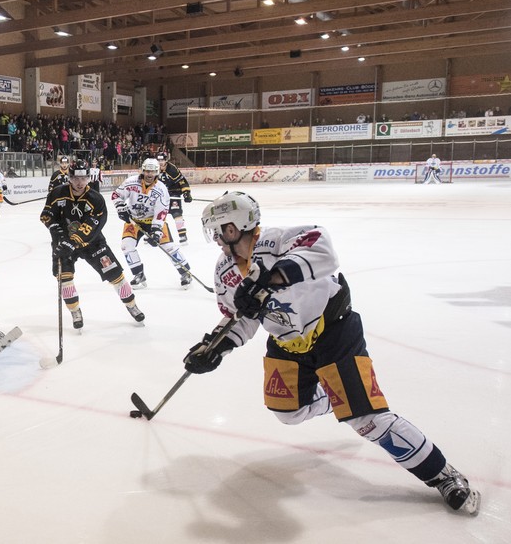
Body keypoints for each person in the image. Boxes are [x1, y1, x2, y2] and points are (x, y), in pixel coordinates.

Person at [184, 191, 480, 515]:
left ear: (238, 226)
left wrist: (272, 279)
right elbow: (240, 319)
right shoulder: (225, 272)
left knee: (368, 421)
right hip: (286, 344)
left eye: (220, 229)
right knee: (287, 413)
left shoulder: (282, 241)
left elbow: (323, 252)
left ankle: (441, 474)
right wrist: (217, 346)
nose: (215, 238)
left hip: (334, 333)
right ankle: (332, 398)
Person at [40, 158, 145, 330]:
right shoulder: (57, 193)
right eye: (75, 178)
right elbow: (46, 215)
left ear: (89, 178)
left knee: (115, 275)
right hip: (63, 243)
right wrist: (58, 233)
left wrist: (73, 241)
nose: (79, 183)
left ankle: (132, 305)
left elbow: (94, 223)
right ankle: (75, 311)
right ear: (70, 177)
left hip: (92, 243)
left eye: (83, 178)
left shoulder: (96, 199)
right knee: (64, 279)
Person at [111, 158, 193, 289]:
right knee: (126, 246)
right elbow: (116, 195)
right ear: (143, 170)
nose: (149, 174)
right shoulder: (130, 182)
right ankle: (139, 274)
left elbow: (161, 213)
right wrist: (121, 208)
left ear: (158, 172)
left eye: (153, 171)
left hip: (152, 222)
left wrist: (156, 232)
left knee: (169, 247)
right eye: (147, 171)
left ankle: (185, 273)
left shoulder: (161, 190)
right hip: (134, 221)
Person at [155, 152, 193, 244]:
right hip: (160, 196)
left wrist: (186, 193)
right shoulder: (154, 168)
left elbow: (182, 181)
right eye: (158, 160)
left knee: (177, 214)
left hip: (173, 193)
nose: (160, 162)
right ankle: (155, 235)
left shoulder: (172, 169)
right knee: (157, 216)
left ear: (166, 160)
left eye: (162, 160)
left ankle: (182, 235)